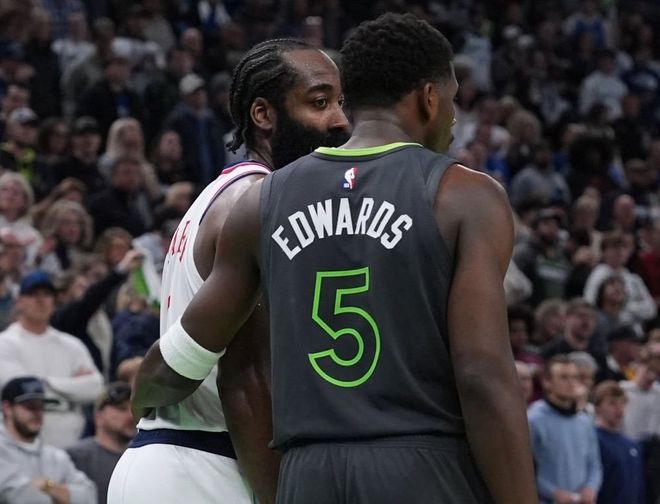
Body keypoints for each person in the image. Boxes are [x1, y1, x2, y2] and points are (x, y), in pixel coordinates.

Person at [132, 13, 537, 504]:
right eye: (453, 100)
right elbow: (481, 373)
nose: (454, 118)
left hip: (305, 470)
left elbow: (179, 359)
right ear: (430, 98)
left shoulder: (259, 202)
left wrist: (141, 397)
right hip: (415, 461)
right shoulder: (464, 194)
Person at [108, 38, 350, 504]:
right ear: (263, 114)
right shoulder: (259, 202)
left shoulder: (226, 193)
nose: (340, 120)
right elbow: (247, 381)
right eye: (320, 103)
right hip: (204, 467)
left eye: (340, 102)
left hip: (170, 457)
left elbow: (168, 366)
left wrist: (148, 388)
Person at [0, 271, 103, 448]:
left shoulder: (71, 345)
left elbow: (95, 387)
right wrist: (72, 387)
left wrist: (47, 382)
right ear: (19, 302)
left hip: (71, 439)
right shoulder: (5, 343)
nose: (41, 300)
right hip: (20, 441)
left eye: (47, 295)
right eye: (33, 295)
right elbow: (18, 390)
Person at [0, 376, 97, 504]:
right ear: (7, 408)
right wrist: (63, 494)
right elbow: (16, 497)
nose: (37, 413)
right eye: (30, 407)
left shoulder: (55, 456)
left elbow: (89, 497)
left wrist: (47, 485)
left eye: (41, 407)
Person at [528, 355, 603, 504]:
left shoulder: (584, 420)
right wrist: (553, 492)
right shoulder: (533, 419)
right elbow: (525, 470)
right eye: (563, 377)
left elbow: (594, 463)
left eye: (575, 377)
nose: (571, 383)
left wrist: (590, 488)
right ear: (547, 382)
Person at [66, 382, 135, 504]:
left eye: (134, 410)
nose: (131, 416)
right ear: (98, 417)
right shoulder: (76, 456)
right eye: (122, 409)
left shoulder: (139, 457)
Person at [591, 380, 645, 504]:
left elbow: (639, 487)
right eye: (612, 403)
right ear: (598, 408)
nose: (619, 408)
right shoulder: (592, 440)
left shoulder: (633, 445)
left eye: (622, 403)